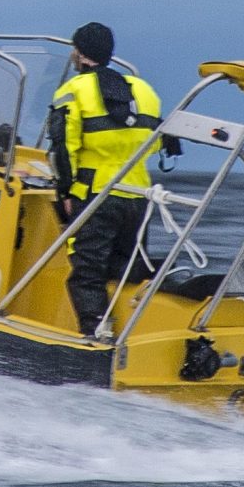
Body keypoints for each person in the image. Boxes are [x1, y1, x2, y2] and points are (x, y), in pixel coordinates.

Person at [48, 22, 165, 338]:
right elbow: (154, 143)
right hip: (139, 197)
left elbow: (64, 148)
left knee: (87, 273)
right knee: (126, 270)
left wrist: (65, 193)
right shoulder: (144, 91)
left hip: (97, 196)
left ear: (80, 54)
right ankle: (136, 334)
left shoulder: (72, 92)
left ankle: (95, 337)